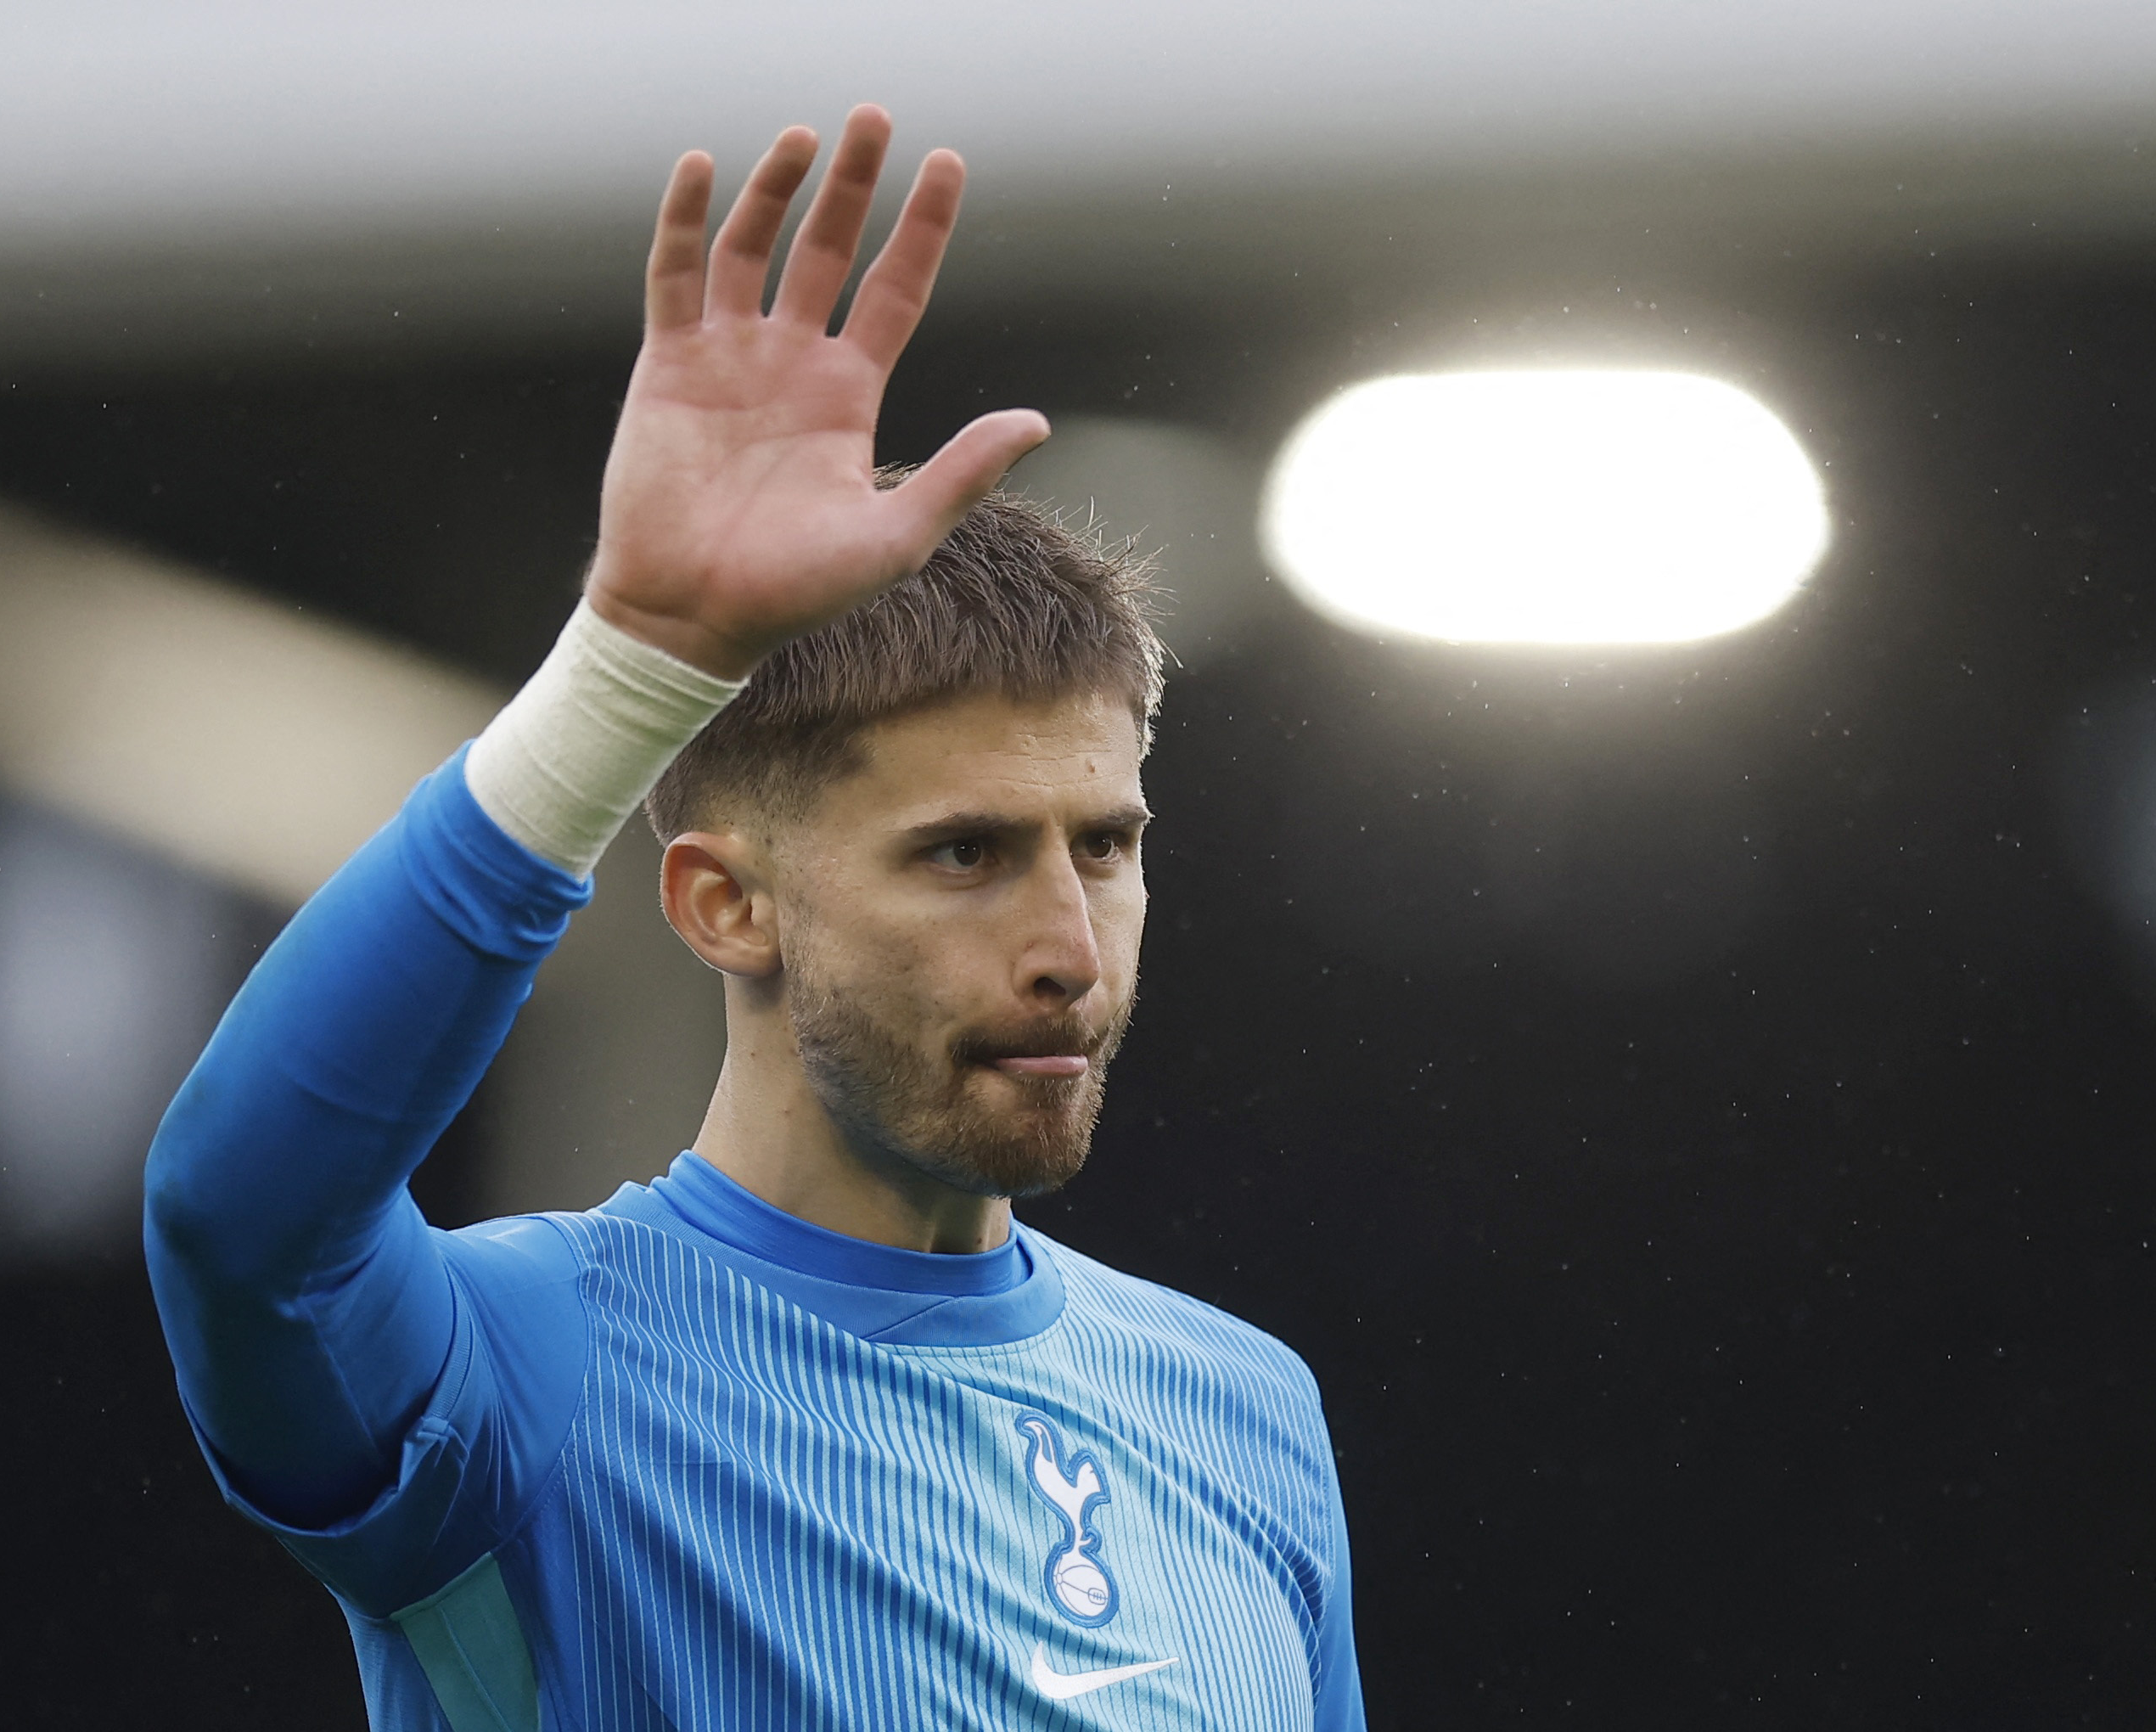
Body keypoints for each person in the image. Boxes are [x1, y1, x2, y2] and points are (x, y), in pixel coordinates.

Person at [145, 104, 1363, 1729]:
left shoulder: (1239, 1410)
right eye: (962, 854)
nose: (1071, 942)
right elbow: (240, 1219)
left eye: (1106, 845)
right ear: (725, 906)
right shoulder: (532, 1374)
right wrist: (632, 656)